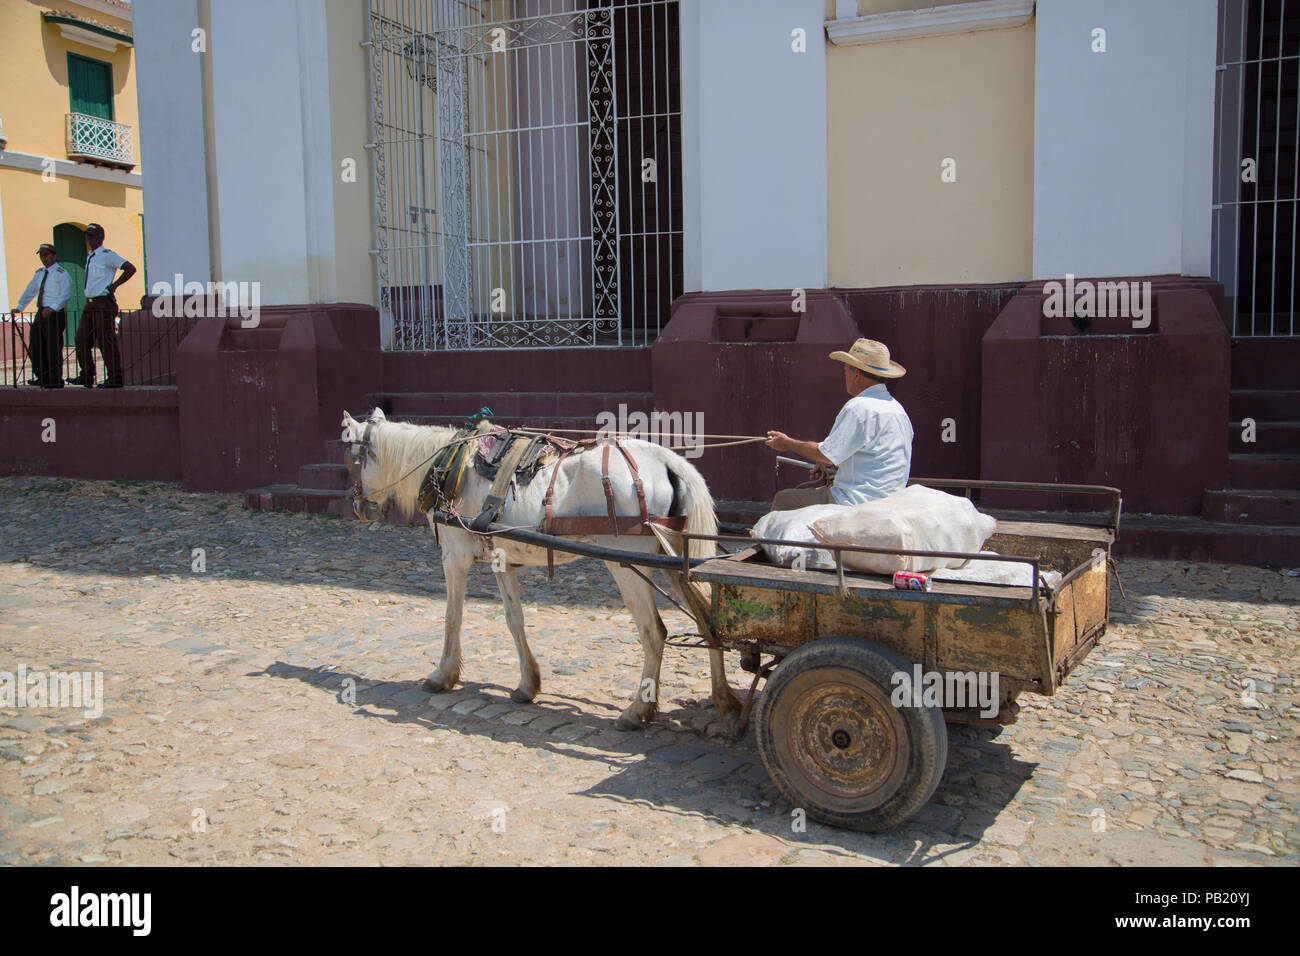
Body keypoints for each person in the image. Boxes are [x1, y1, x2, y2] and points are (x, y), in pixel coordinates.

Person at [765, 337, 914, 510]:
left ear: (856, 374)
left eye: (845, 371)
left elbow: (825, 455)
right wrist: (836, 465)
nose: (845, 376)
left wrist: (788, 444)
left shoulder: (858, 408)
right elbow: (874, 455)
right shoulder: (899, 411)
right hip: (890, 499)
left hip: (856, 500)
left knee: (785, 499)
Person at [70, 222, 135, 388]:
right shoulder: (90, 256)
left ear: (100, 237)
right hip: (90, 303)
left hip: (103, 303)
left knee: (106, 340)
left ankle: (115, 377)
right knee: (81, 339)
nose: (88, 238)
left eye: (91, 235)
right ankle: (87, 375)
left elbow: (129, 268)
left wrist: (115, 285)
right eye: (87, 235)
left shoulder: (108, 255)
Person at [10, 243, 71, 388]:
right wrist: (19, 307)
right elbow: (30, 291)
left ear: (54, 256)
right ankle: (43, 376)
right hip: (41, 311)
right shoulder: (39, 273)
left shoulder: (61, 273)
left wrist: (53, 308)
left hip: (55, 313)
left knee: (53, 346)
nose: (43, 258)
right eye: (41, 255)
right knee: (36, 344)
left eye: (46, 255)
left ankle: (55, 378)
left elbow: (66, 294)